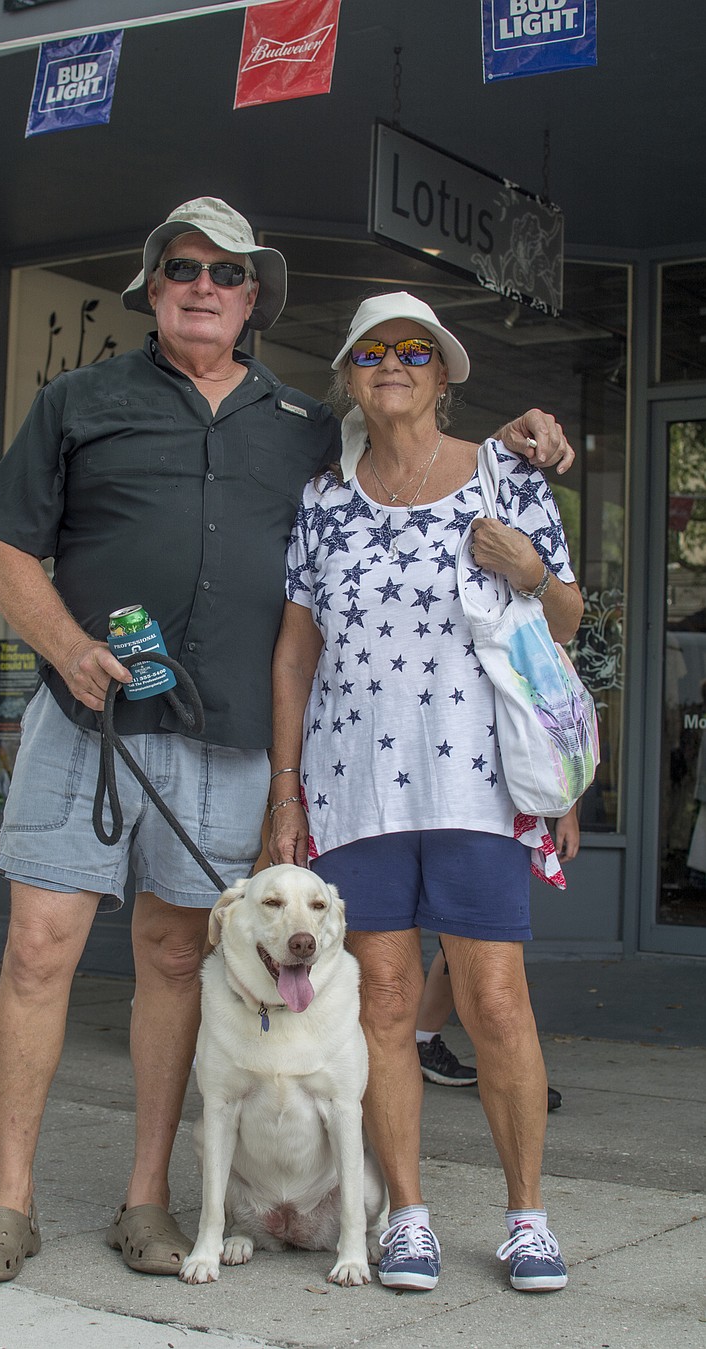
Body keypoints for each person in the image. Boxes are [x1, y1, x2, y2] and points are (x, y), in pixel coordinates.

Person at [0, 199, 574, 1284]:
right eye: (182, 267)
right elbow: (4, 549)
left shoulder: (299, 423)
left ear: (253, 300)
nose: (203, 284)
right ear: (152, 284)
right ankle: (10, 1197)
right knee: (42, 947)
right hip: (102, 724)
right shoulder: (79, 399)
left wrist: (529, 439)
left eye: (228, 273)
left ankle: (150, 1197)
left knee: (179, 956)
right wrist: (64, 645)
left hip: (243, 738)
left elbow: (430, 461)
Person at [269, 291, 583, 1294]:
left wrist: (531, 568)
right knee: (385, 1005)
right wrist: (286, 790)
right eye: (372, 350)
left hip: (477, 782)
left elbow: (567, 621)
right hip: (349, 786)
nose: (392, 362)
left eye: (414, 349)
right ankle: (406, 1215)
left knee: (494, 1000)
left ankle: (526, 1215)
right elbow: (295, 650)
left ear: (442, 374)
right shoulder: (322, 498)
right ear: (350, 376)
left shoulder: (505, 476)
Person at [416, 806, 581, 1110]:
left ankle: (433, 1044)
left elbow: (559, 756)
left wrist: (566, 811)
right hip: (426, 802)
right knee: (470, 941)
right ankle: (498, 1065)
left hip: (492, 807)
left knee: (477, 941)